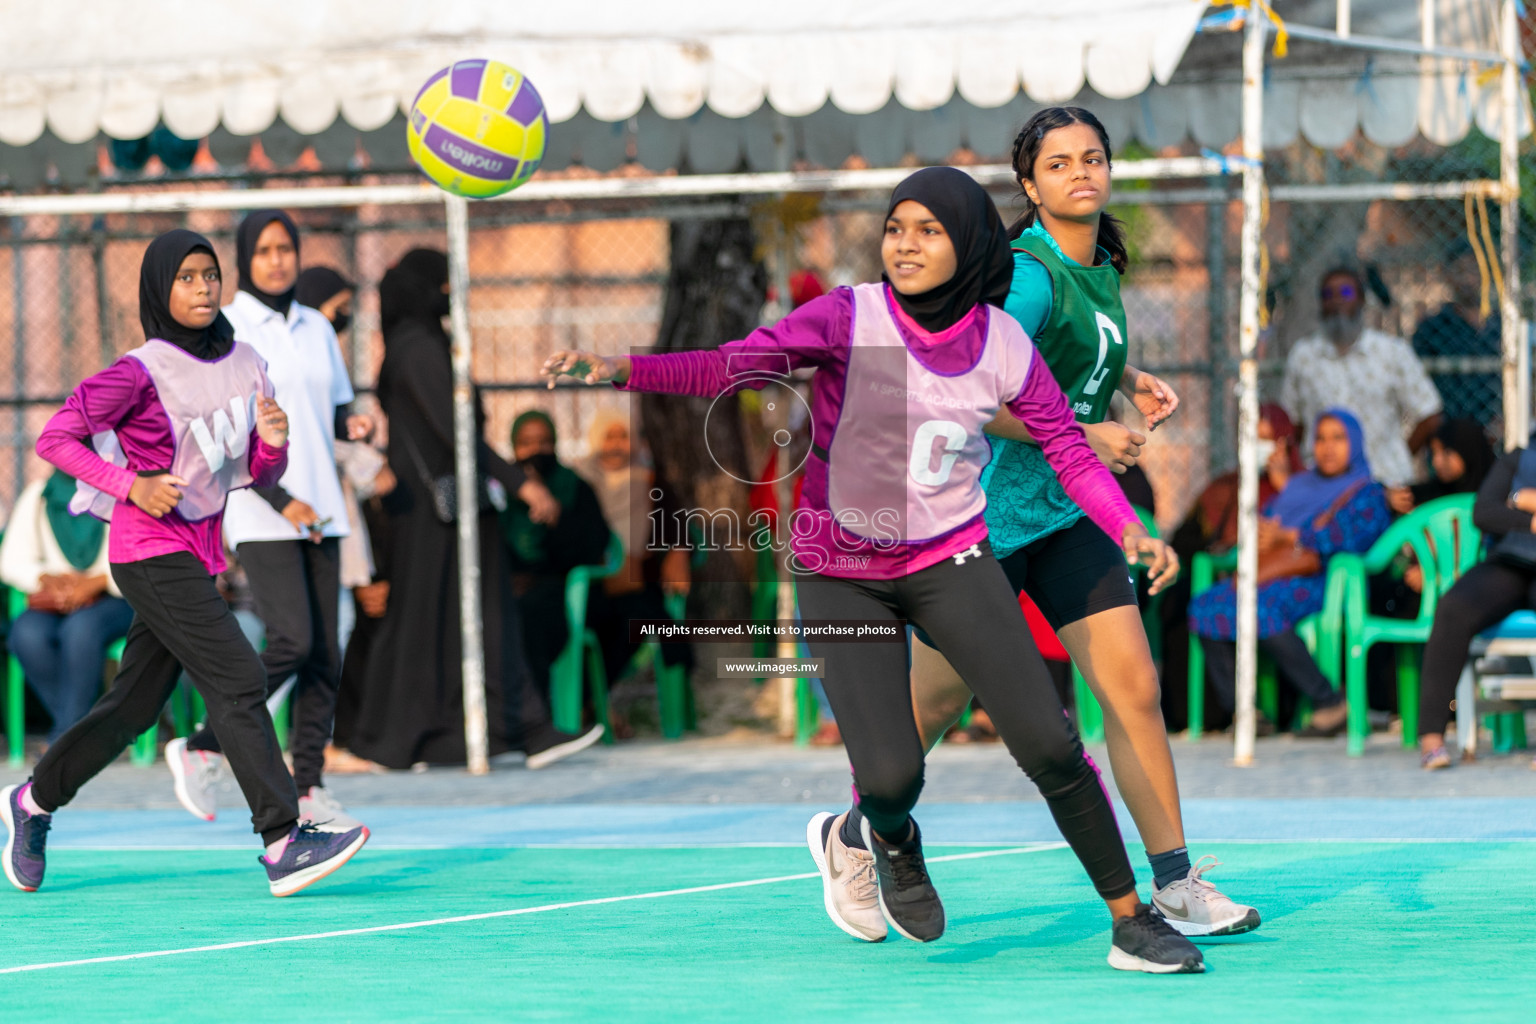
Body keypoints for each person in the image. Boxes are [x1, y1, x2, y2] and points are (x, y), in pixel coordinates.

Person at [544, 166, 1206, 973]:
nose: (906, 244)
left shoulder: (1002, 343)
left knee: (1051, 744)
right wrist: (620, 370)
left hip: (950, 558)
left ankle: (1132, 920)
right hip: (838, 569)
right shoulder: (847, 316)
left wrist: (1129, 530)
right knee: (889, 774)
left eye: (928, 230)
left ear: (967, 245)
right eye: (896, 228)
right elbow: (730, 365)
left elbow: (1068, 447)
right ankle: (881, 835)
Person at [812, 107, 1259, 943]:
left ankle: (1173, 881)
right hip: (977, 525)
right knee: (925, 716)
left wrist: (1125, 371)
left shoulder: (1097, 266)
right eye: (1058, 165)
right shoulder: (1025, 271)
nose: (1080, 173)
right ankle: (853, 835)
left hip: (1062, 515)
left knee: (1133, 690)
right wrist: (1082, 431)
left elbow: (1068, 344)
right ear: (1030, 184)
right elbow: (965, 379)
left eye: (1093, 159)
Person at [1, 229, 367, 897]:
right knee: (238, 673)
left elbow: (253, 473)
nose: (202, 288)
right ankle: (283, 839)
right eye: (186, 278)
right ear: (159, 291)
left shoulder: (249, 362)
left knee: (131, 709)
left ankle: (31, 803)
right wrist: (129, 485)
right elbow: (58, 437)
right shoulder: (138, 371)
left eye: (208, 275)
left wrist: (275, 446)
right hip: (145, 549)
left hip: (197, 553)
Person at [346, 249, 602, 770]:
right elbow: (457, 430)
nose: (451, 295)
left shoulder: (415, 345)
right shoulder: (418, 349)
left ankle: (462, 737)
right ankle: (503, 731)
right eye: (444, 285)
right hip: (438, 515)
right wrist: (521, 484)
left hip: (444, 512)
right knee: (458, 619)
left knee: (460, 620)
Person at [164, 211, 371, 829]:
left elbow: (331, 413)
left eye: (287, 248)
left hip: (324, 510)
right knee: (295, 640)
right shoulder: (228, 332)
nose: (278, 260)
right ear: (245, 258)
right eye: (265, 250)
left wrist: (353, 425)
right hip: (261, 508)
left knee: (325, 654)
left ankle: (308, 785)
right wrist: (283, 501)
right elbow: (224, 439)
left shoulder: (317, 328)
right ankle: (203, 746)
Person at [1190, 409, 1392, 736]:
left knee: (1258, 608)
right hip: (1276, 573)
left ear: (1354, 443)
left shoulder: (1366, 491)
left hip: (1326, 579)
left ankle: (1328, 701)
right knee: (1205, 604)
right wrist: (1261, 531)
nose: (1328, 447)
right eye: (1321, 438)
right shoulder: (1299, 485)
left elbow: (1354, 539)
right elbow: (1267, 519)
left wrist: (1293, 536)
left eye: (1338, 438)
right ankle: (1244, 711)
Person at [1415, 441, 1536, 770]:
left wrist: (1526, 499)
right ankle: (1431, 739)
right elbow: (1484, 512)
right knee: (1453, 608)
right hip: (1512, 562)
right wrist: (1525, 513)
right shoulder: (1520, 458)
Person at [0, 471, 133, 744]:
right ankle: (87, 731)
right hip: (55, 595)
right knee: (26, 634)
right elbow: (12, 559)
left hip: (113, 595)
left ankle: (64, 740)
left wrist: (97, 581)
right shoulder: (40, 495)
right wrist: (45, 577)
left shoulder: (122, 490)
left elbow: (138, 553)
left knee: (81, 630)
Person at [1281, 267, 1443, 487]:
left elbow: (1429, 413)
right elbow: (1292, 422)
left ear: (1362, 299)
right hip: (1322, 487)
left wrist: (1397, 455)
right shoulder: (1304, 355)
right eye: (1328, 295)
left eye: (1346, 293)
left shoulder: (1391, 352)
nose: (1337, 300)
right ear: (1320, 304)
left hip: (1383, 480)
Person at [575, 410, 693, 704]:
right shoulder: (580, 482)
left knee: (636, 619)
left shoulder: (649, 480)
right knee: (583, 623)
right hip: (590, 583)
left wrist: (679, 551)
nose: (616, 444)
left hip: (637, 584)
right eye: (609, 436)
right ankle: (590, 707)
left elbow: (678, 524)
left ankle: (594, 705)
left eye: (623, 436)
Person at [501, 410, 610, 700]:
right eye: (526, 443)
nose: (536, 451)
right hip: (503, 588)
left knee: (531, 615)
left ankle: (534, 710)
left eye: (545, 442)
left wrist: (557, 516)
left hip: (558, 590)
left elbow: (594, 547)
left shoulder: (576, 488)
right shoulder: (498, 491)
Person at [1412, 243, 1500, 427]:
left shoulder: (1501, 325)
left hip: (1497, 426)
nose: (1468, 279)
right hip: (1450, 427)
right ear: (1447, 275)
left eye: (1475, 270)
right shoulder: (1433, 328)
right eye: (1460, 271)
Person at [1386, 417, 1496, 515]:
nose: (1436, 462)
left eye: (1446, 452)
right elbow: (1406, 495)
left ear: (1468, 451)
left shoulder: (1497, 494)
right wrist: (1389, 499)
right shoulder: (1433, 493)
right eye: (1433, 453)